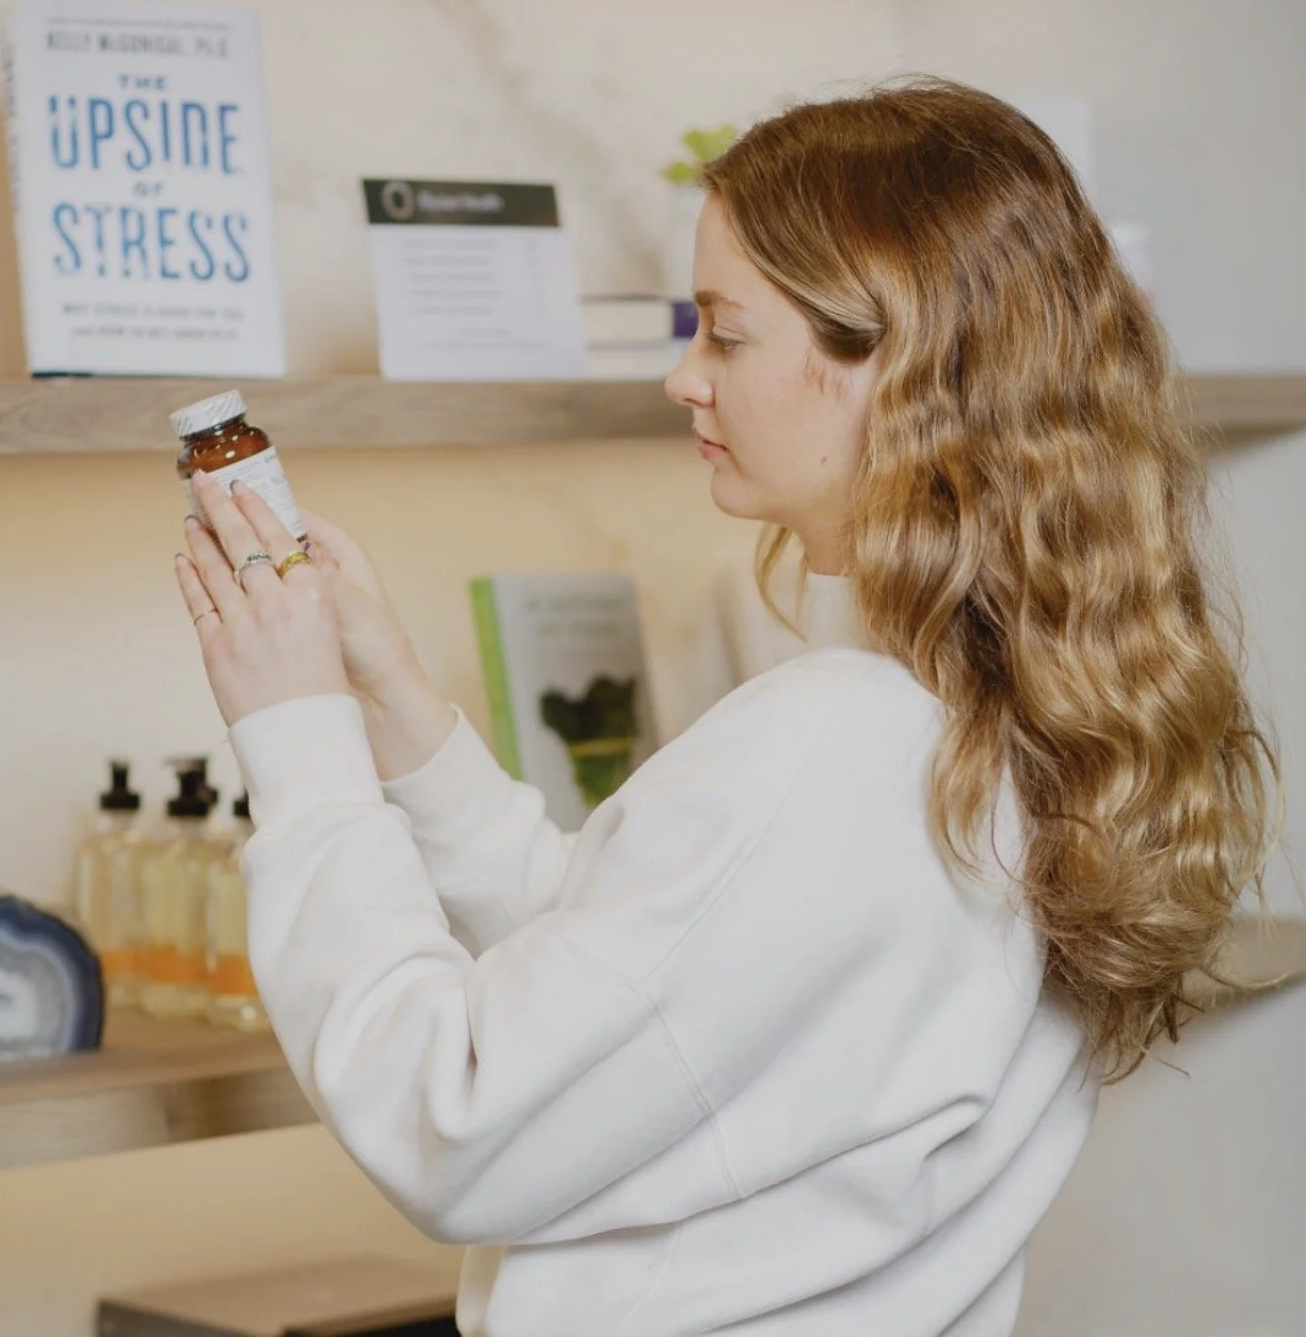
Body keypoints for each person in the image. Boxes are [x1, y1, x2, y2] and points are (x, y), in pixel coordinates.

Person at [173, 77, 1283, 1337]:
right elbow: (644, 980)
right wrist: (397, 709)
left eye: (725, 332)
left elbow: (454, 1118)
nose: (683, 379)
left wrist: (301, 745)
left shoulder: (840, 740)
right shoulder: (1009, 723)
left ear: (897, 366)